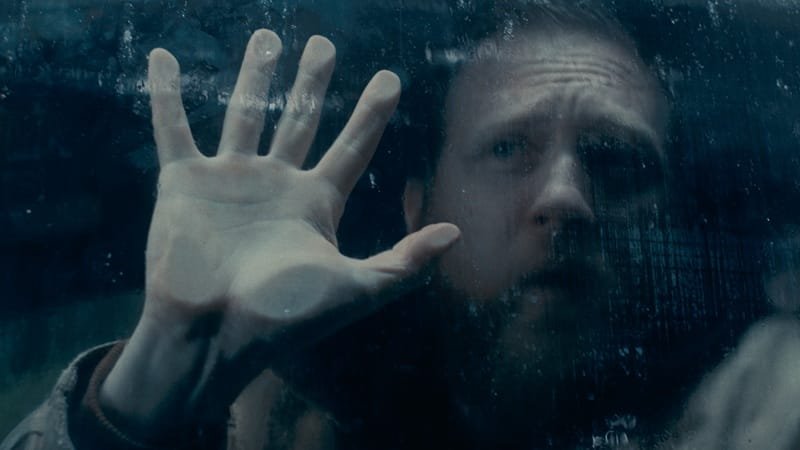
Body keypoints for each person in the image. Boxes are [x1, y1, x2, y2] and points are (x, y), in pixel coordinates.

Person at [3, 4, 799, 450]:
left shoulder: (764, 404)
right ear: (420, 204)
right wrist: (143, 400)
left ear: (671, 214)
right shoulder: (271, 419)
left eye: (617, 161)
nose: (565, 198)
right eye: (508, 149)